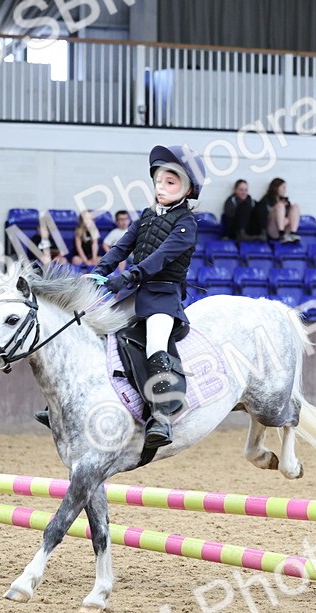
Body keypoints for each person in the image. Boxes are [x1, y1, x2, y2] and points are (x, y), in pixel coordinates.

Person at [89, 144, 205, 447]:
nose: (161, 188)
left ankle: (161, 415)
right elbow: (123, 245)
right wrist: (100, 270)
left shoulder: (186, 224)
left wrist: (128, 275)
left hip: (163, 296)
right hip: (134, 291)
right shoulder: (146, 215)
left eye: (171, 182)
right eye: (158, 181)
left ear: (187, 188)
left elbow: (160, 259)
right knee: (91, 329)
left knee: (155, 343)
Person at [250, 178, 301, 244]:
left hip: (286, 227)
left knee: (295, 207)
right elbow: (263, 219)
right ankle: (281, 233)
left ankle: (293, 233)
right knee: (280, 205)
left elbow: (290, 217)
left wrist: (286, 220)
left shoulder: (286, 201)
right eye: (283, 188)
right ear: (276, 188)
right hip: (273, 230)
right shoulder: (265, 201)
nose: (285, 190)